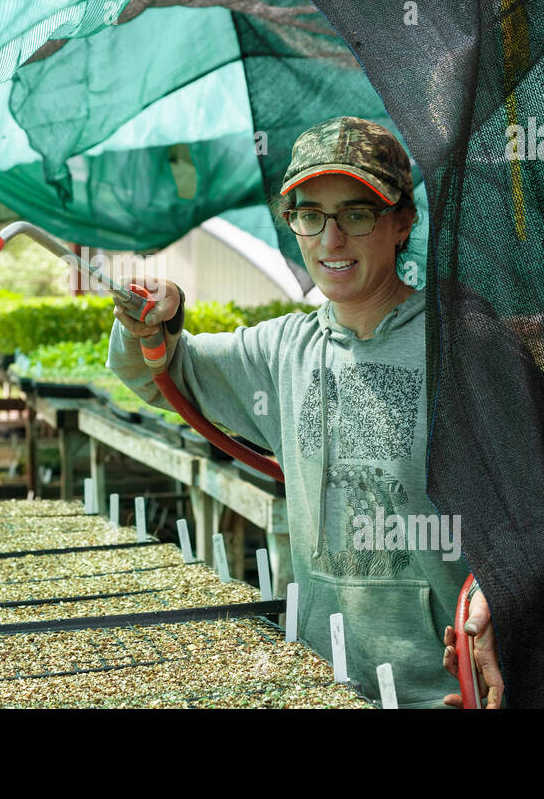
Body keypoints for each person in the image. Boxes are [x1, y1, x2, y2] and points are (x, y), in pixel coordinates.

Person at [105, 116, 504, 708]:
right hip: (327, 677)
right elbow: (161, 374)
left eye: (357, 214)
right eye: (310, 215)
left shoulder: (466, 347)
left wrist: (500, 601)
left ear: (402, 222)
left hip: (444, 685)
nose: (331, 240)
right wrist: (153, 317)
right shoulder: (281, 352)